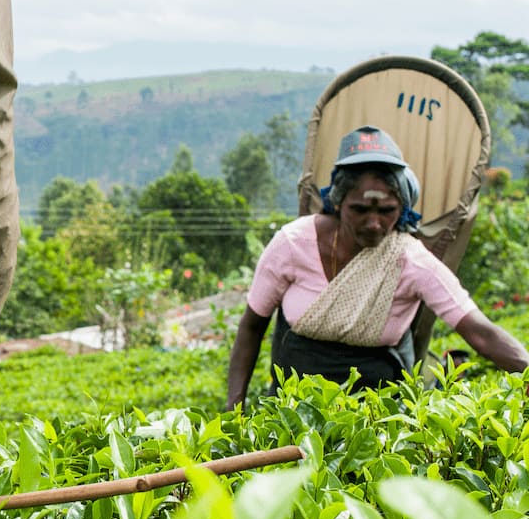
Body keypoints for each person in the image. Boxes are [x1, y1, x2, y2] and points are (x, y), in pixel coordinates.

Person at [226, 125, 529, 409]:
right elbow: (253, 325)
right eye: (359, 210)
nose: (374, 223)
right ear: (338, 202)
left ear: (403, 209)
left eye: (387, 211)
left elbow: (480, 332)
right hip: (295, 411)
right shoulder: (293, 243)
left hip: (380, 417)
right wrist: (234, 411)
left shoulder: (410, 260)